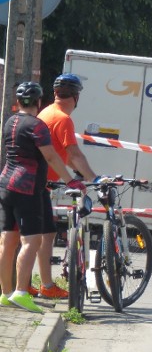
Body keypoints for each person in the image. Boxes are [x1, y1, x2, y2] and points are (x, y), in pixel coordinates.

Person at [0, 82, 85, 313]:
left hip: (5, 183)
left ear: (18, 103)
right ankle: (21, 292)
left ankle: (5, 293)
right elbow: (51, 157)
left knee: (7, 241)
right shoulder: (37, 126)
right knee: (32, 242)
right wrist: (70, 180)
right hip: (27, 187)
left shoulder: (10, 121)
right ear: (38, 102)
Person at [35, 73, 97, 299]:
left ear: (55, 93)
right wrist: (94, 178)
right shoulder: (63, 118)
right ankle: (44, 286)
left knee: (42, 236)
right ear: (76, 96)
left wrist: (80, 173)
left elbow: (64, 156)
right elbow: (73, 153)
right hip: (40, 184)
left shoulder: (47, 112)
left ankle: (42, 284)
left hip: (40, 183)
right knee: (40, 236)